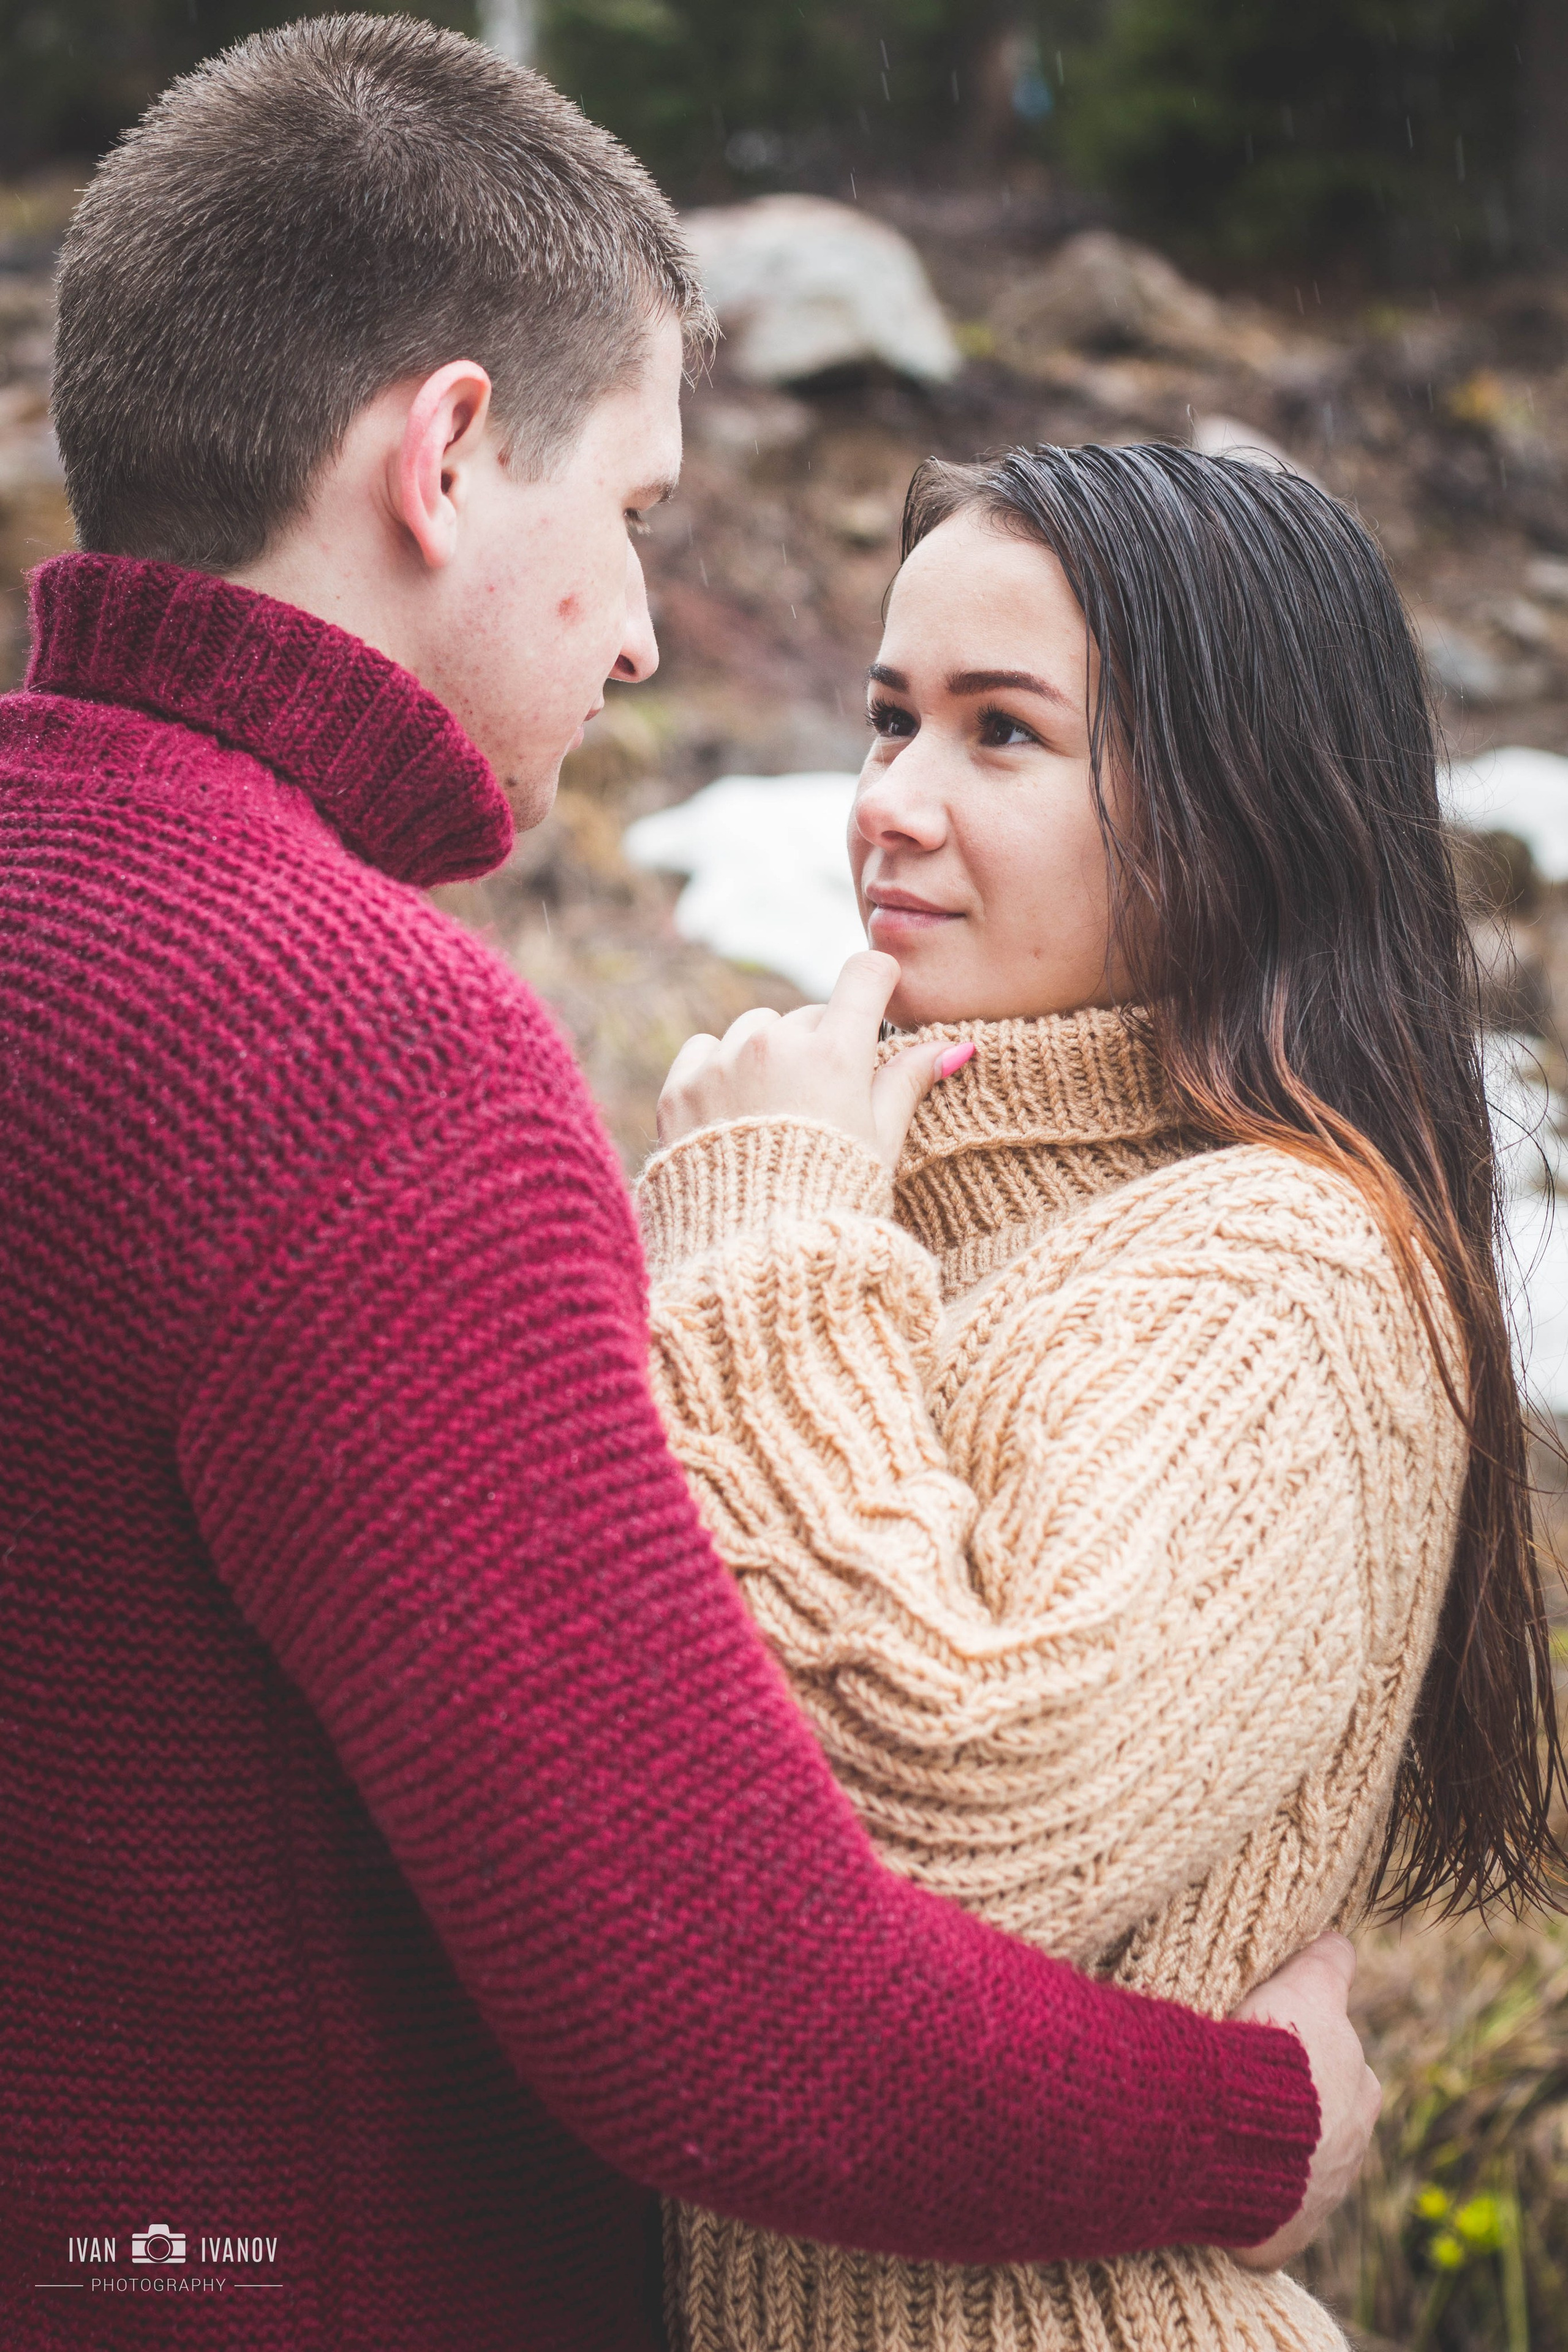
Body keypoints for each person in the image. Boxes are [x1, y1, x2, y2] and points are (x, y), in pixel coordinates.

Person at [0, 21, 1372, 2348]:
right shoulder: (349, 1054)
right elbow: (729, 2016)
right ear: (445, 454)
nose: (643, 634)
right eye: (630, 516)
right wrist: (1258, 2125)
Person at [644, 443, 1566, 2352]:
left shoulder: (1279, 1275)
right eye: (890, 717)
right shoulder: (901, 1225)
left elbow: (941, 1812)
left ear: (1236, 809)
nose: (889, 802)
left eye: (1002, 735)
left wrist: (759, 1244)